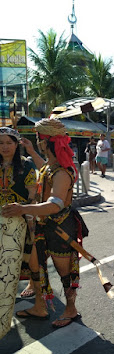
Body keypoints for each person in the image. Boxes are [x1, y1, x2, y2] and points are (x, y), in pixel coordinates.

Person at [3, 118, 87, 328]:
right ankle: (40, 306)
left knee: (64, 273)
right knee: (36, 267)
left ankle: (71, 310)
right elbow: (44, 171)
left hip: (59, 228)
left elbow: (55, 204)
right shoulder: (52, 167)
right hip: (44, 227)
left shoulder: (62, 172)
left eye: (39, 140)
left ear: (45, 142)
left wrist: (23, 209)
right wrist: (31, 151)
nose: (38, 142)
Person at [0, 127, 37, 339]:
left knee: (8, 276)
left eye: (9, 142)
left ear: (16, 144)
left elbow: (33, 197)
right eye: (0, 143)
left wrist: (24, 211)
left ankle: (3, 323)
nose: (4, 147)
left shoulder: (26, 165)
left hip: (18, 224)